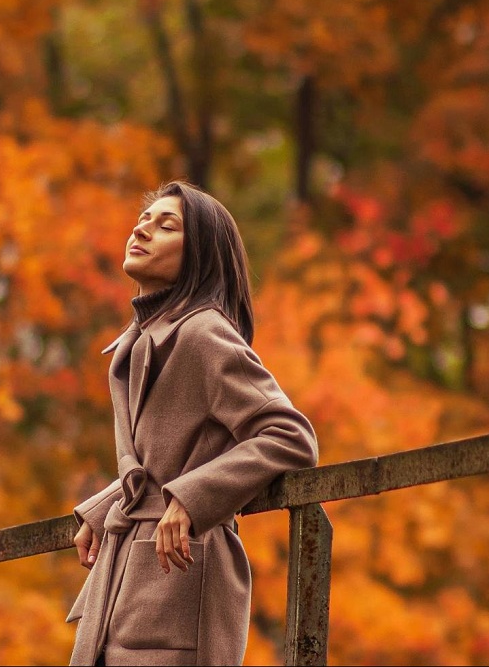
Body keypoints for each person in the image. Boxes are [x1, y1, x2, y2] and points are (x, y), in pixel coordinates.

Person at [66, 180, 319, 666]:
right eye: (144, 219)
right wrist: (105, 507)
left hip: (179, 578)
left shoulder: (203, 332)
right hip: (128, 571)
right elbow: (165, 457)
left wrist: (192, 496)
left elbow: (291, 435)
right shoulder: (139, 341)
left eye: (167, 225)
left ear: (198, 254)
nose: (141, 229)